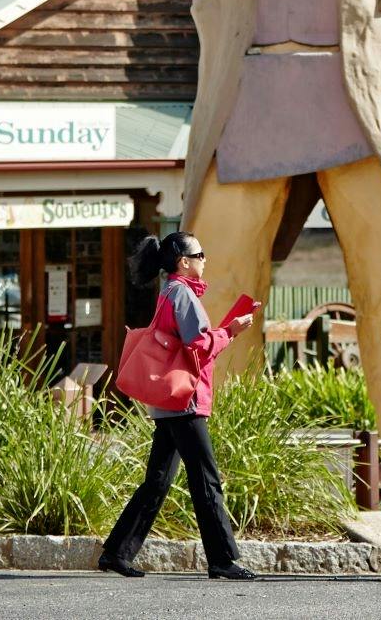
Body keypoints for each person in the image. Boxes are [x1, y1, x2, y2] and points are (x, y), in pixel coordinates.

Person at [100, 232, 258, 581]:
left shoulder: (169, 291)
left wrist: (224, 330)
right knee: (206, 479)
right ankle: (222, 559)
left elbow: (189, 341)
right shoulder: (182, 293)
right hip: (185, 401)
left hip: (169, 403)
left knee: (157, 480)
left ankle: (116, 552)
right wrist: (231, 330)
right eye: (200, 254)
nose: (205, 259)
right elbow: (198, 346)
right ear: (183, 262)